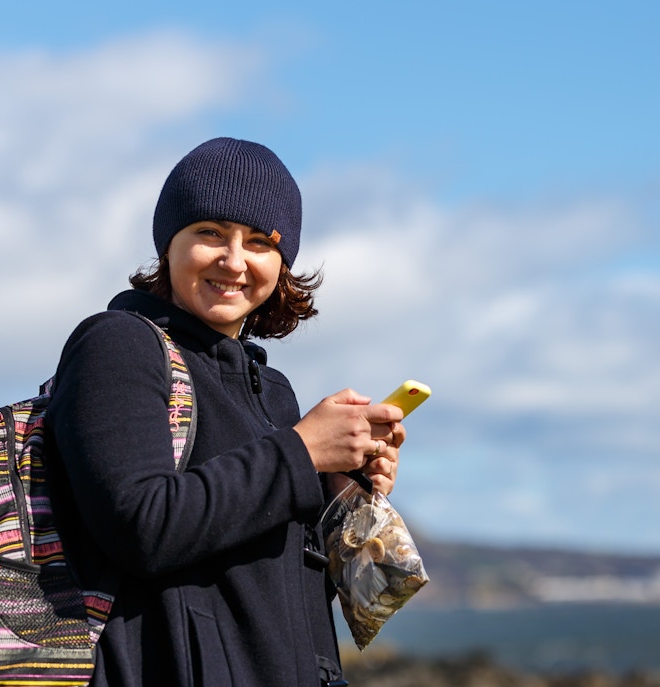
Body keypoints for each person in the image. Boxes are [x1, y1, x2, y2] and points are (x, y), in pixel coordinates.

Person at [45, 137, 406, 687]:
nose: (234, 260)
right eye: (210, 232)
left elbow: (268, 592)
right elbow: (143, 526)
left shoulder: (273, 392)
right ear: (169, 243)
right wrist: (302, 451)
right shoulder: (116, 344)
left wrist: (339, 488)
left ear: (281, 264)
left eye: (260, 242)